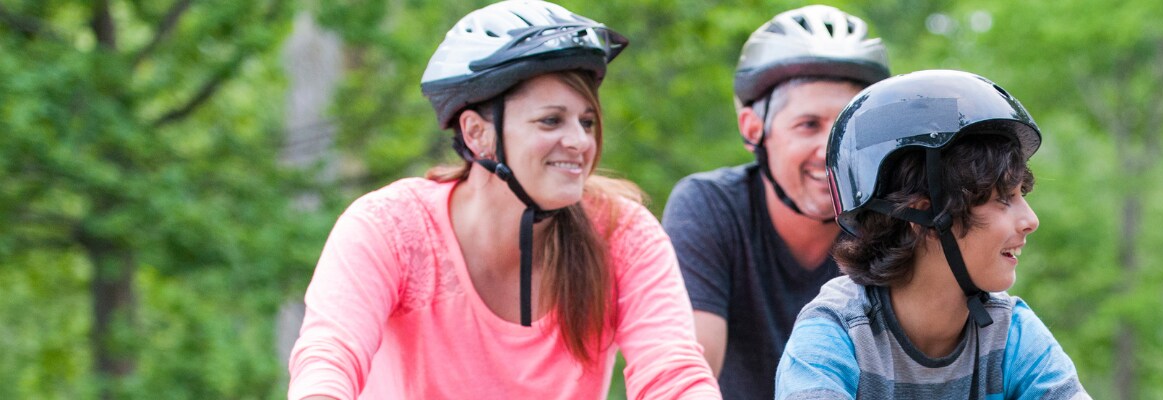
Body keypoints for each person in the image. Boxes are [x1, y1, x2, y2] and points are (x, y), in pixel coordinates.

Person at [287, 1, 717, 398]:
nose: (579, 141)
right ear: (477, 133)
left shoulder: (622, 233)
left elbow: (672, 374)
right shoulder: (390, 226)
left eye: (586, 121)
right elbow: (329, 357)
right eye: (551, 120)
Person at [774, 70, 1090, 399]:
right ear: (925, 217)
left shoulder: (1011, 335)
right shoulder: (835, 333)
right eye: (1002, 199)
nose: (1030, 220)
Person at [661, 4, 889, 398]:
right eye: (808, 125)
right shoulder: (711, 209)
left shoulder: (892, 223)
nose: (830, 150)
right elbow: (689, 370)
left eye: (844, 128)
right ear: (754, 129)